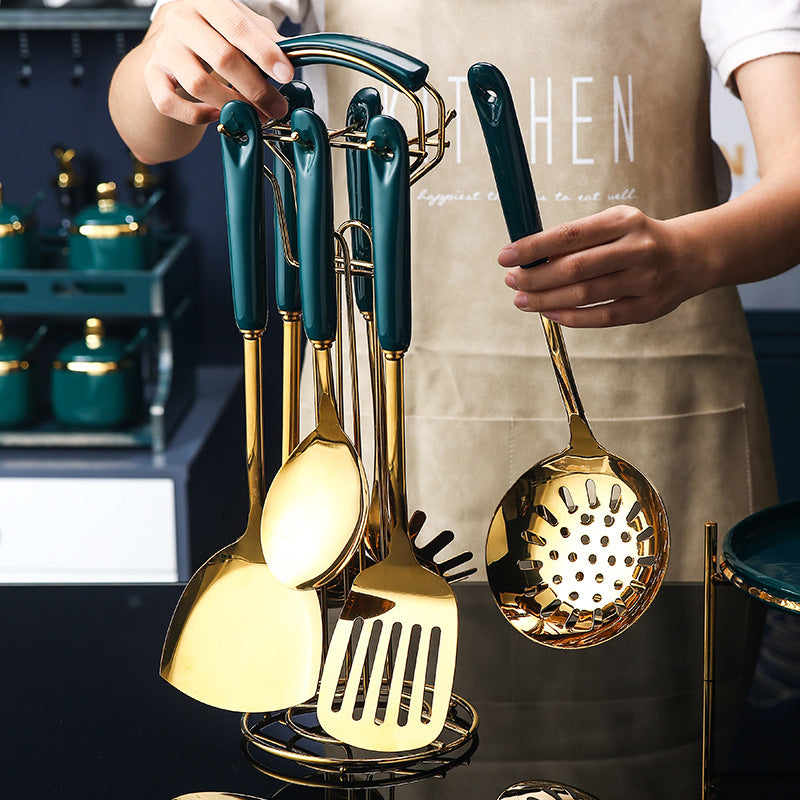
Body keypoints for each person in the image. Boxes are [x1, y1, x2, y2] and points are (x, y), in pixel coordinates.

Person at [109, 3, 800, 800]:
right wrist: (167, 54)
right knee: (384, 753)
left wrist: (694, 254)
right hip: (378, 454)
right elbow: (149, 130)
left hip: (651, 485)